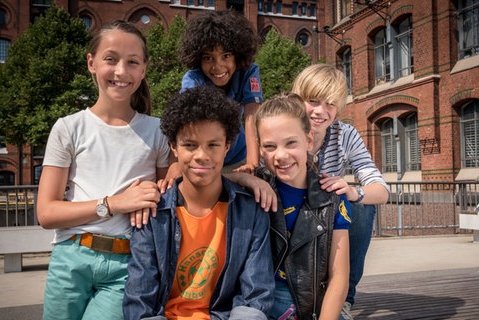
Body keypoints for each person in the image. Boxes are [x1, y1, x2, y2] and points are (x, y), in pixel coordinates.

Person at [37, 21, 170, 320]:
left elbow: (171, 190)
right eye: (111, 59)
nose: (121, 71)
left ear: (144, 70)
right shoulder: (68, 128)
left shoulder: (158, 131)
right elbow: (46, 213)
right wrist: (114, 204)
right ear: (91, 63)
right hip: (70, 257)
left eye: (132, 62)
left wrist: (155, 192)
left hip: (128, 265)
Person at [123, 85, 275, 320]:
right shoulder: (152, 212)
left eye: (213, 145)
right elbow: (141, 302)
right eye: (190, 145)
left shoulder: (250, 211)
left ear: (227, 146)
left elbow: (255, 296)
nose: (201, 155)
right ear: (174, 146)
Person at [291, 64, 390, 316]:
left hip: (325, 213)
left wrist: (354, 192)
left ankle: (344, 299)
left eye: (330, 104)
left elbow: (381, 189)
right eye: (312, 101)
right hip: (288, 209)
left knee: (359, 207)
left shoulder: (345, 134)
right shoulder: (284, 127)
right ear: (298, 99)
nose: (321, 111)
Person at [254, 93, 352, 320]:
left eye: (291, 143)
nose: (281, 155)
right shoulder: (254, 189)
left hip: (314, 303)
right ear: (260, 149)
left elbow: (339, 276)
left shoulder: (331, 197)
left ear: (308, 141)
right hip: (266, 302)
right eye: (270, 146)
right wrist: (244, 179)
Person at [178, 9, 262, 173]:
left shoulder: (249, 72)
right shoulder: (193, 80)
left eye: (226, 56)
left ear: (237, 55)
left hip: (239, 157)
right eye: (208, 58)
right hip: (206, 159)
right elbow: (189, 125)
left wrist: (252, 165)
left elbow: (251, 115)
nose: (218, 66)